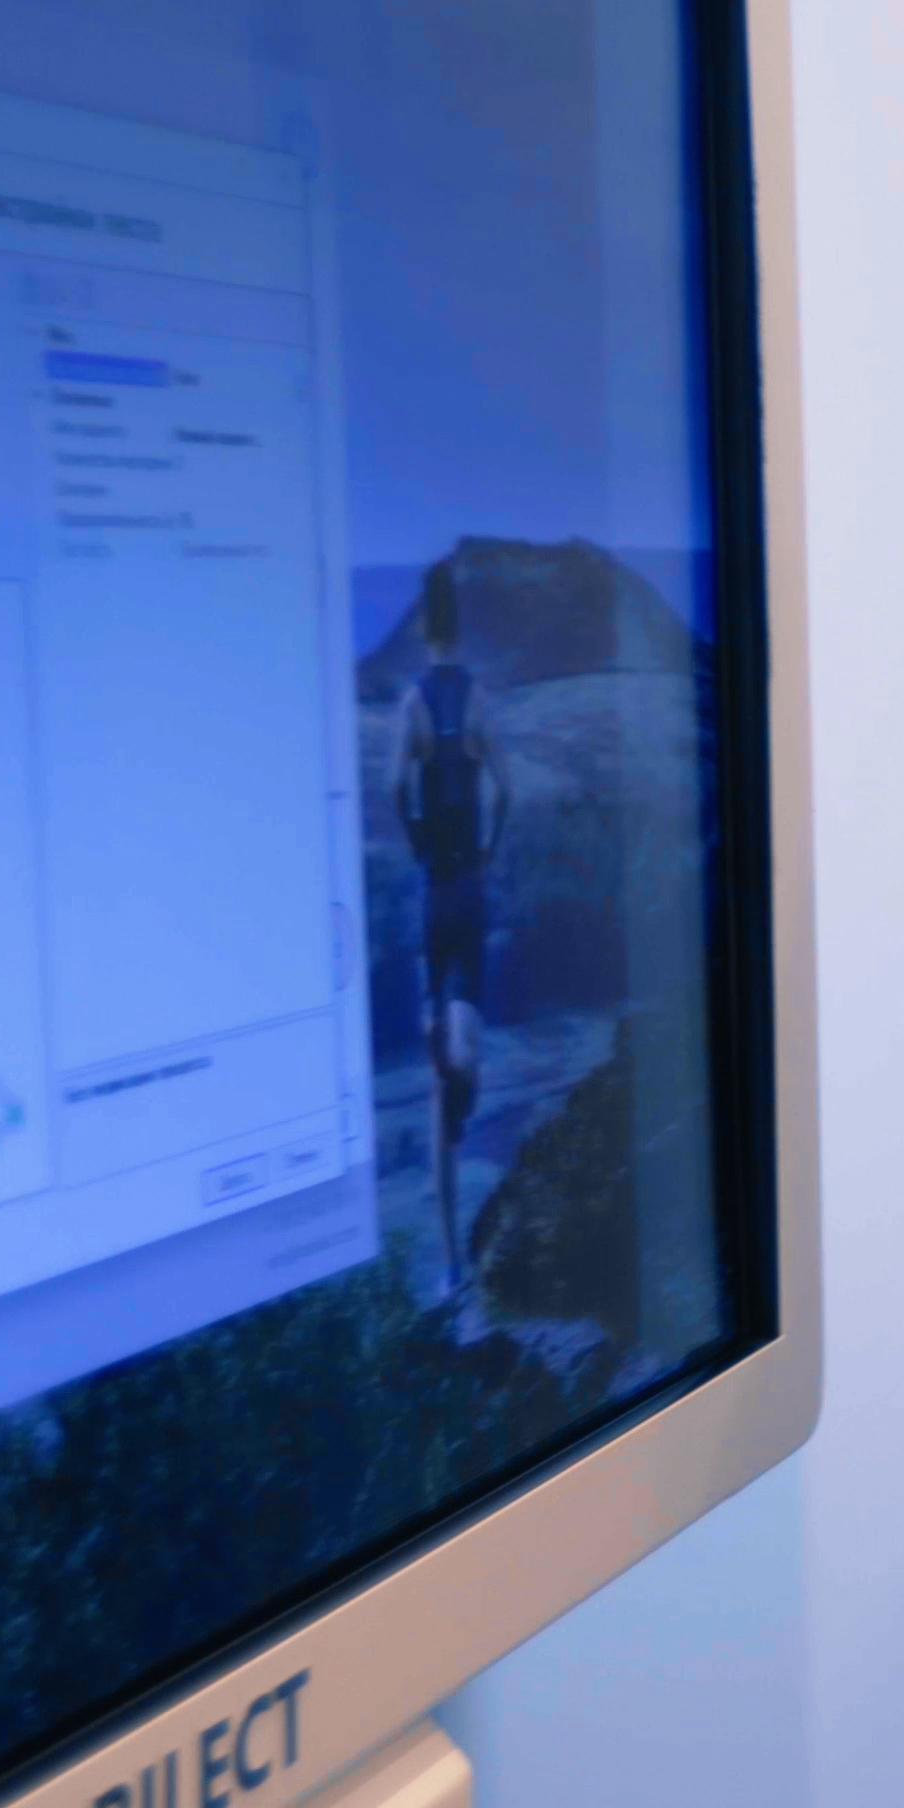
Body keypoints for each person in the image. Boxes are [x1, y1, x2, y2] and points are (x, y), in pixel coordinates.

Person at [393, 556, 511, 1299]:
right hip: (470, 889)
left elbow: (391, 788)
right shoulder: (478, 703)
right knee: (463, 1046)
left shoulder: (411, 704)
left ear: (422, 629)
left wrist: (418, 846)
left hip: (434, 894)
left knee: (441, 1079)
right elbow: (508, 789)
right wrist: (488, 850)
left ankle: (449, 1262)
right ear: (458, 630)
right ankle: (461, 1069)